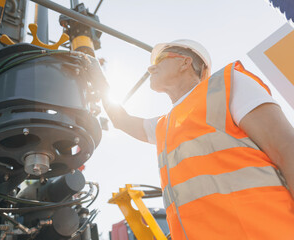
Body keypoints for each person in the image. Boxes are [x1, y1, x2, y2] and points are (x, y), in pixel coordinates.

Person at [89, 39, 294, 239]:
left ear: (185, 62)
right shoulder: (165, 125)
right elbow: (120, 120)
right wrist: (93, 70)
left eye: (159, 59)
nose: (151, 69)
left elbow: (286, 148)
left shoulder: (226, 86)